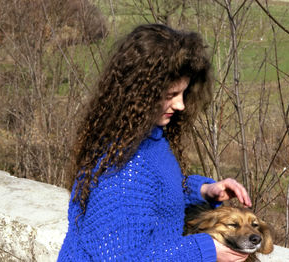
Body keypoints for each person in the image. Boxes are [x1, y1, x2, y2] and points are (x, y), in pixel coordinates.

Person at [58, 23, 252, 262]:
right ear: (140, 94)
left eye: (183, 93)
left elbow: (154, 194)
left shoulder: (148, 138)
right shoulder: (123, 167)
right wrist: (206, 250)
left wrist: (203, 191)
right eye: (170, 95)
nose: (180, 105)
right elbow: (122, 258)